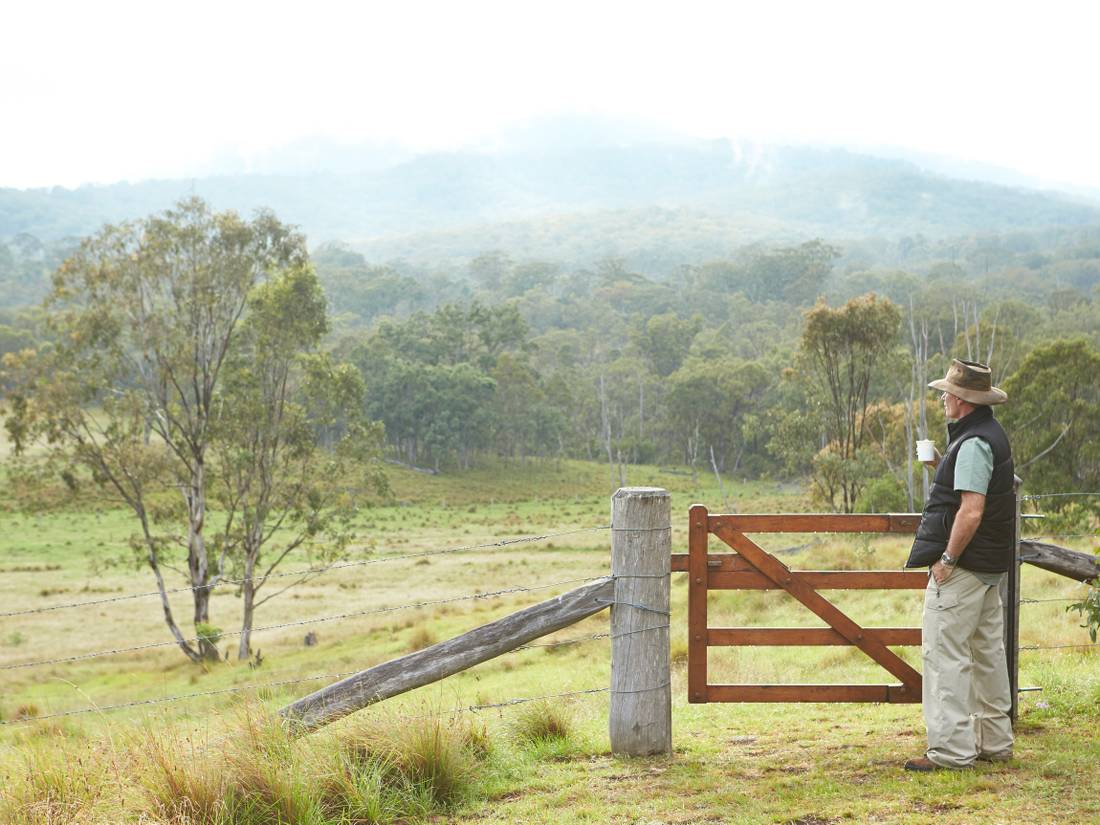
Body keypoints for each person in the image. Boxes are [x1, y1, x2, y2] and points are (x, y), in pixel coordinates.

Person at [902, 359, 1016, 772]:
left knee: (944, 656)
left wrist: (947, 560)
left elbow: (971, 509)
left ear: (964, 400)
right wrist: (941, 463)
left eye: (947, 393)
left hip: (964, 568)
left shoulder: (971, 445)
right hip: (988, 568)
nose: (943, 398)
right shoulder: (987, 436)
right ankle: (994, 741)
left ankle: (950, 751)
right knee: (986, 654)